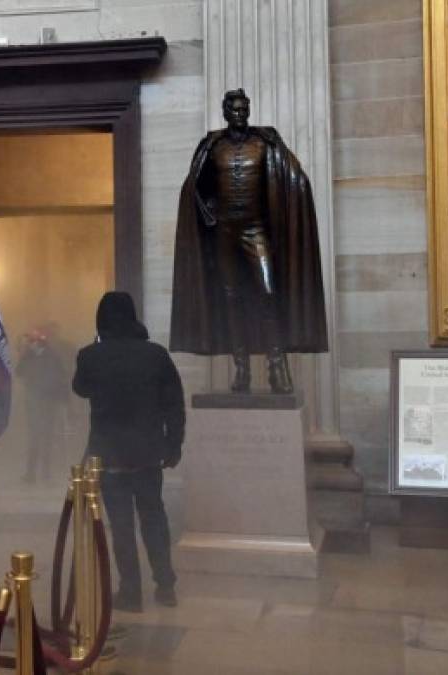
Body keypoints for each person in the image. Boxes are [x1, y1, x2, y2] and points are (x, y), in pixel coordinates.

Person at [170, 88, 328, 393]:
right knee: (231, 298)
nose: (240, 115)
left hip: (255, 229)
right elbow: (193, 188)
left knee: (268, 293)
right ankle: (241, 368)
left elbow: (294, 177)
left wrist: (297, 184)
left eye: (244, 109)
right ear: (226, 112)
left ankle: (276, 365)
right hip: (224, 233)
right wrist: (207, 212)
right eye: (235, 110)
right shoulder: (212, 146)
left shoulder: (265, 143)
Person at [72, 292, 185, 612]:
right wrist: (173, 443)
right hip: (148, 451)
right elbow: (173, 404)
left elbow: (80, 389)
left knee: (121, 525)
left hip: (109, 455)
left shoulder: (90, 355)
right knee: (153, 519)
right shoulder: (155, 355)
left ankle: (131, 592)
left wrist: (97, 345)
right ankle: (165, 586)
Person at [15, 328, 67, 483]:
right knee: (34, 438)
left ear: (39, 342)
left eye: (32, 341)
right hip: (33, 403)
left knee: (47, 439)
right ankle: (31, 473)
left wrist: (63, 401)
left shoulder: (52, 356)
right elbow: (19, 372)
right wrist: (24, 355)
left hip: (48, 403)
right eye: (30, 341)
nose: (30, 344)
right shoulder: (28, 356)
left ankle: (46, 473)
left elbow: (60, 377)